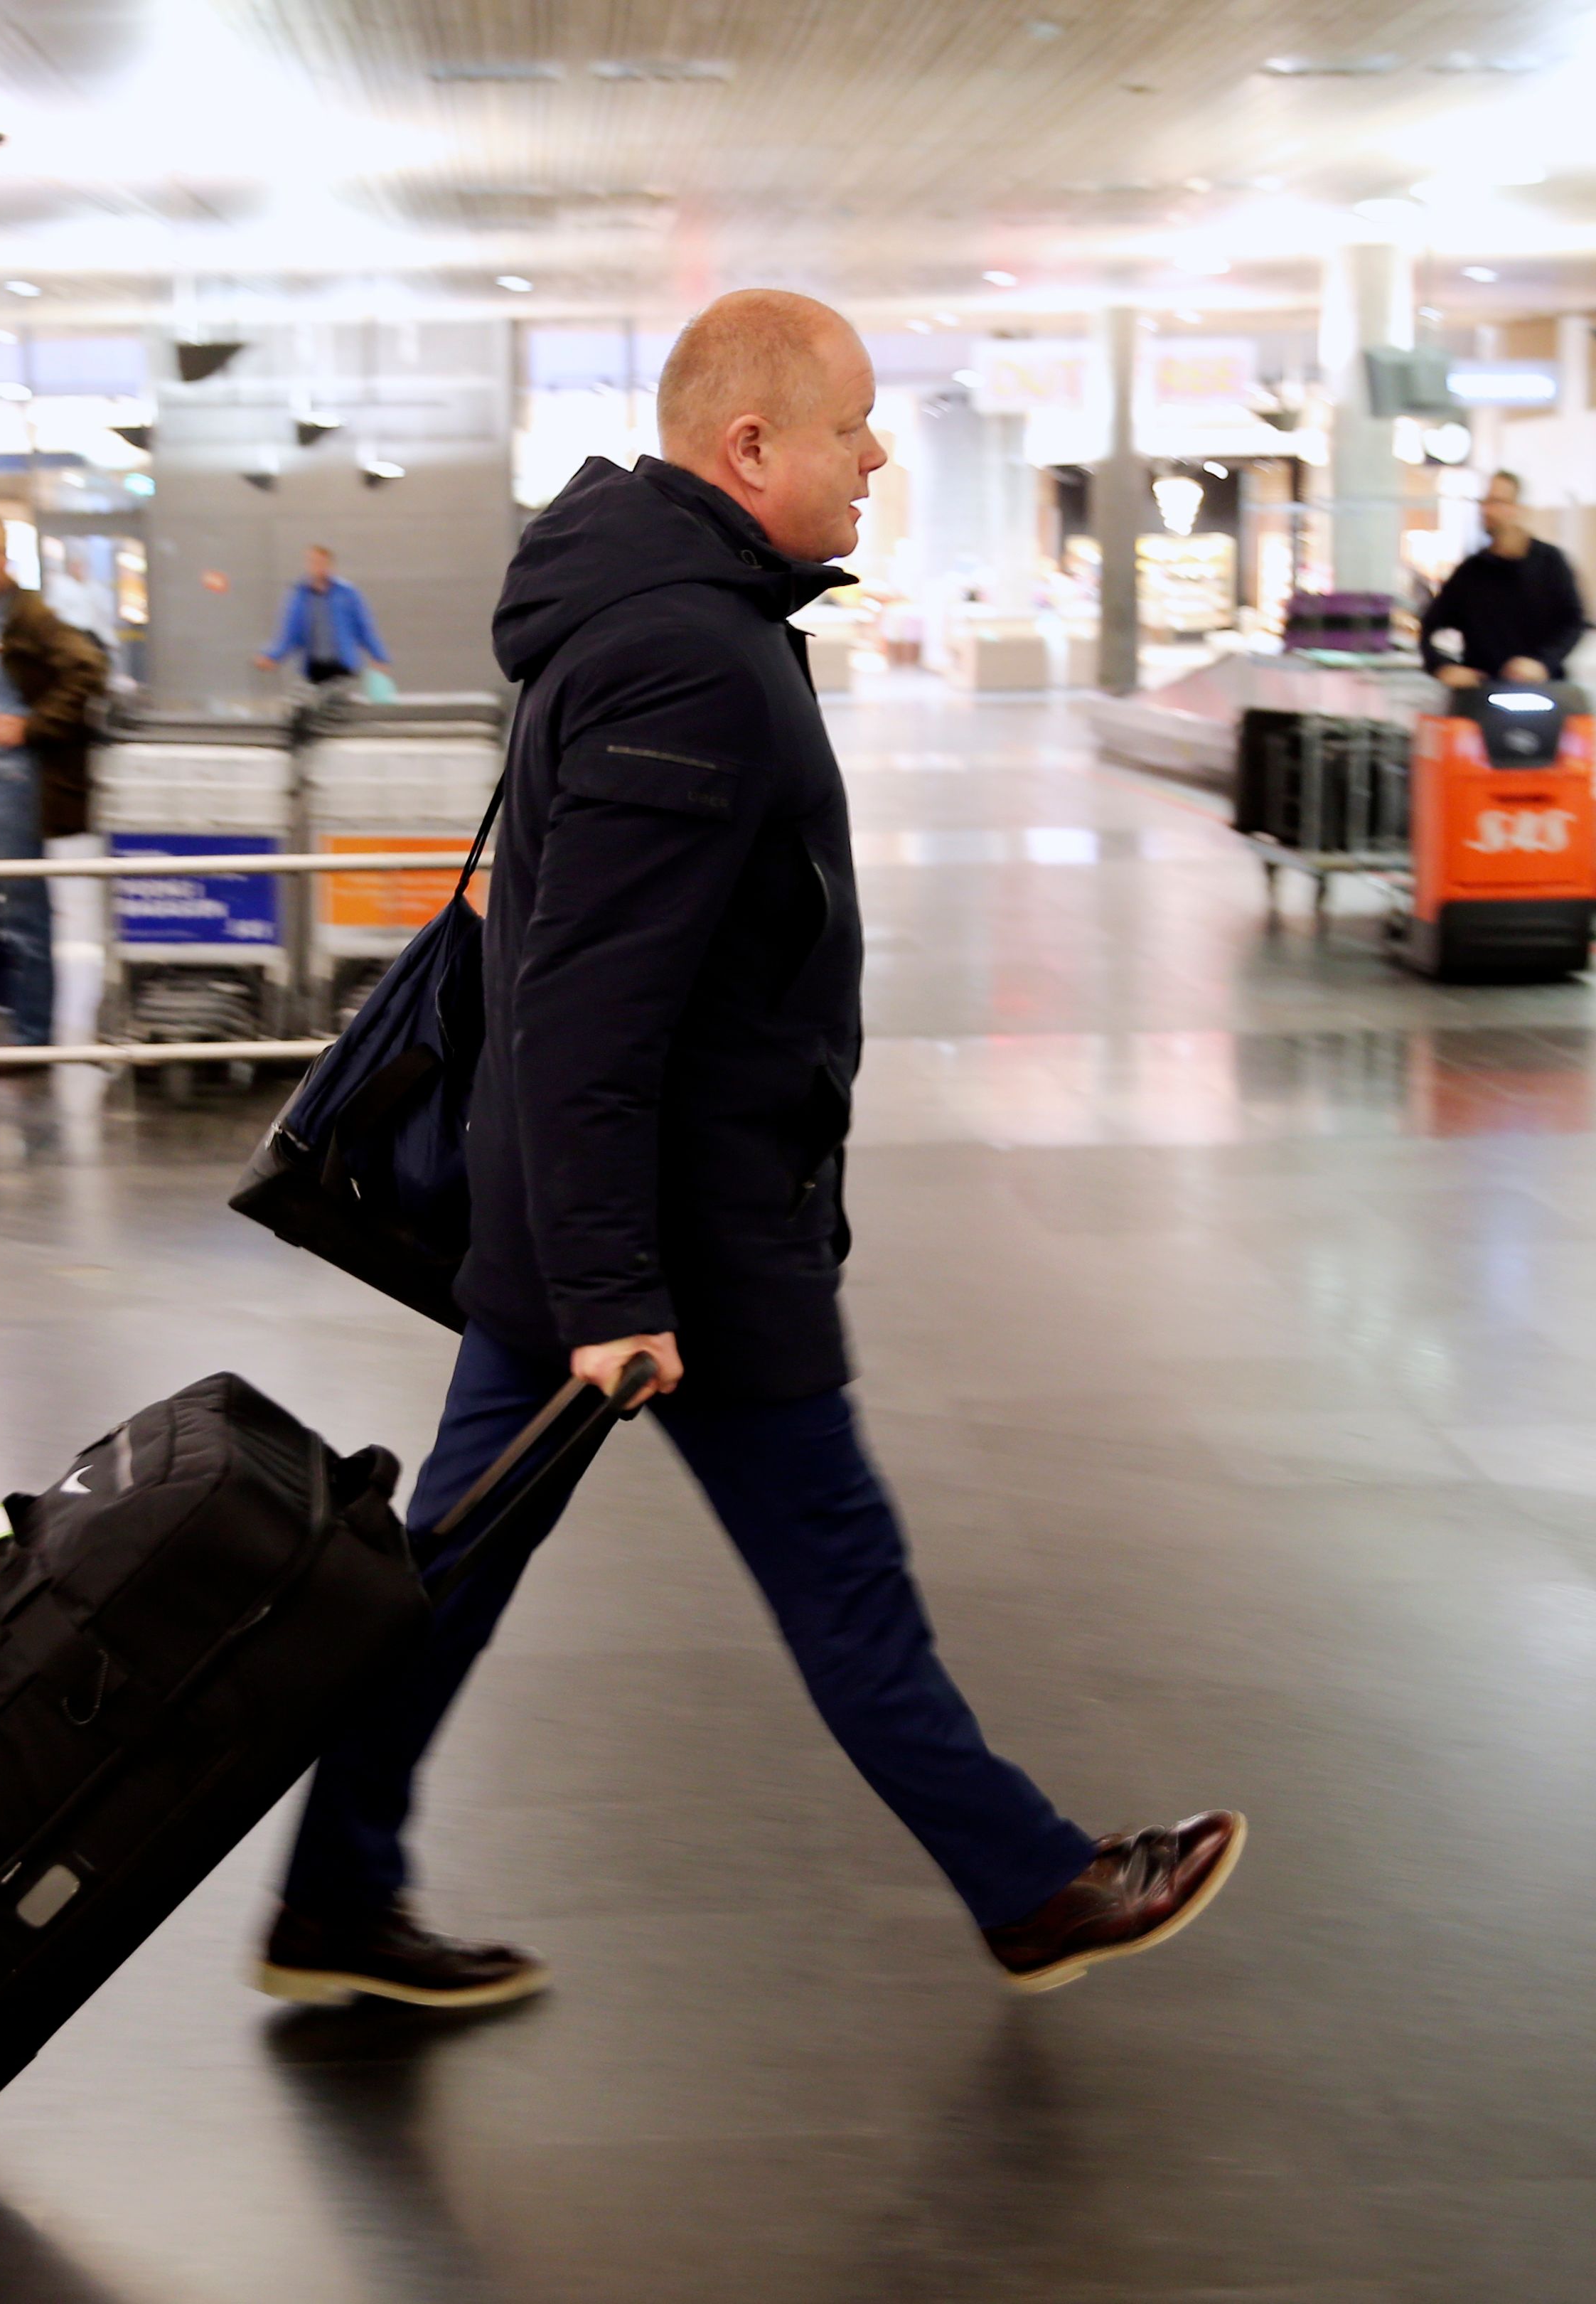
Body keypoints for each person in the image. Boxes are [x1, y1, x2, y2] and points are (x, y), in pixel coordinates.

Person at [258, 289, 1244, 2012]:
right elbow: (585, 1007)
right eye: (852, 427)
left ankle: (335, 1892)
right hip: (682, 1239)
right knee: (836, 1574)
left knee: (451, 1571)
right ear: (749, 446)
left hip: (598, 1223)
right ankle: (1034, 1883)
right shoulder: (687, 657)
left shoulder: (667, 614)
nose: (877, 457)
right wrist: (616, 1289)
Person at [0, 513, 107, 1053]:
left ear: (6, 557)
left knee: (22, 913)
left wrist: (30, 726)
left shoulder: (29, 617)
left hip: (9, 781)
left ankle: (33, 1038)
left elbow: (88, 669)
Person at [1418, 469, 1588, 687]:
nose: (1487, 511)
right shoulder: (1470, 572)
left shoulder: (1551, 563)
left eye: (1497, 502)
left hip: (1542, 689)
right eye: (1485, 502)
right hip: (1482, 691)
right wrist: (1443, 666)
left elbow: (1573, 622)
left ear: (1518, 509)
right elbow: (1431, 627)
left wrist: (1542, 663)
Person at [252, 545, 392, 689]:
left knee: (339, 700)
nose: (317, 567)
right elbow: (290, 632)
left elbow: (364, 628)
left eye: (321, 563)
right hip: (314, 667)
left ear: (330, 565)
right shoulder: (300, 595)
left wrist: (379, 657)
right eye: (313, 562)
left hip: (342, 665)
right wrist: (272, 656)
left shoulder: (347, 593)